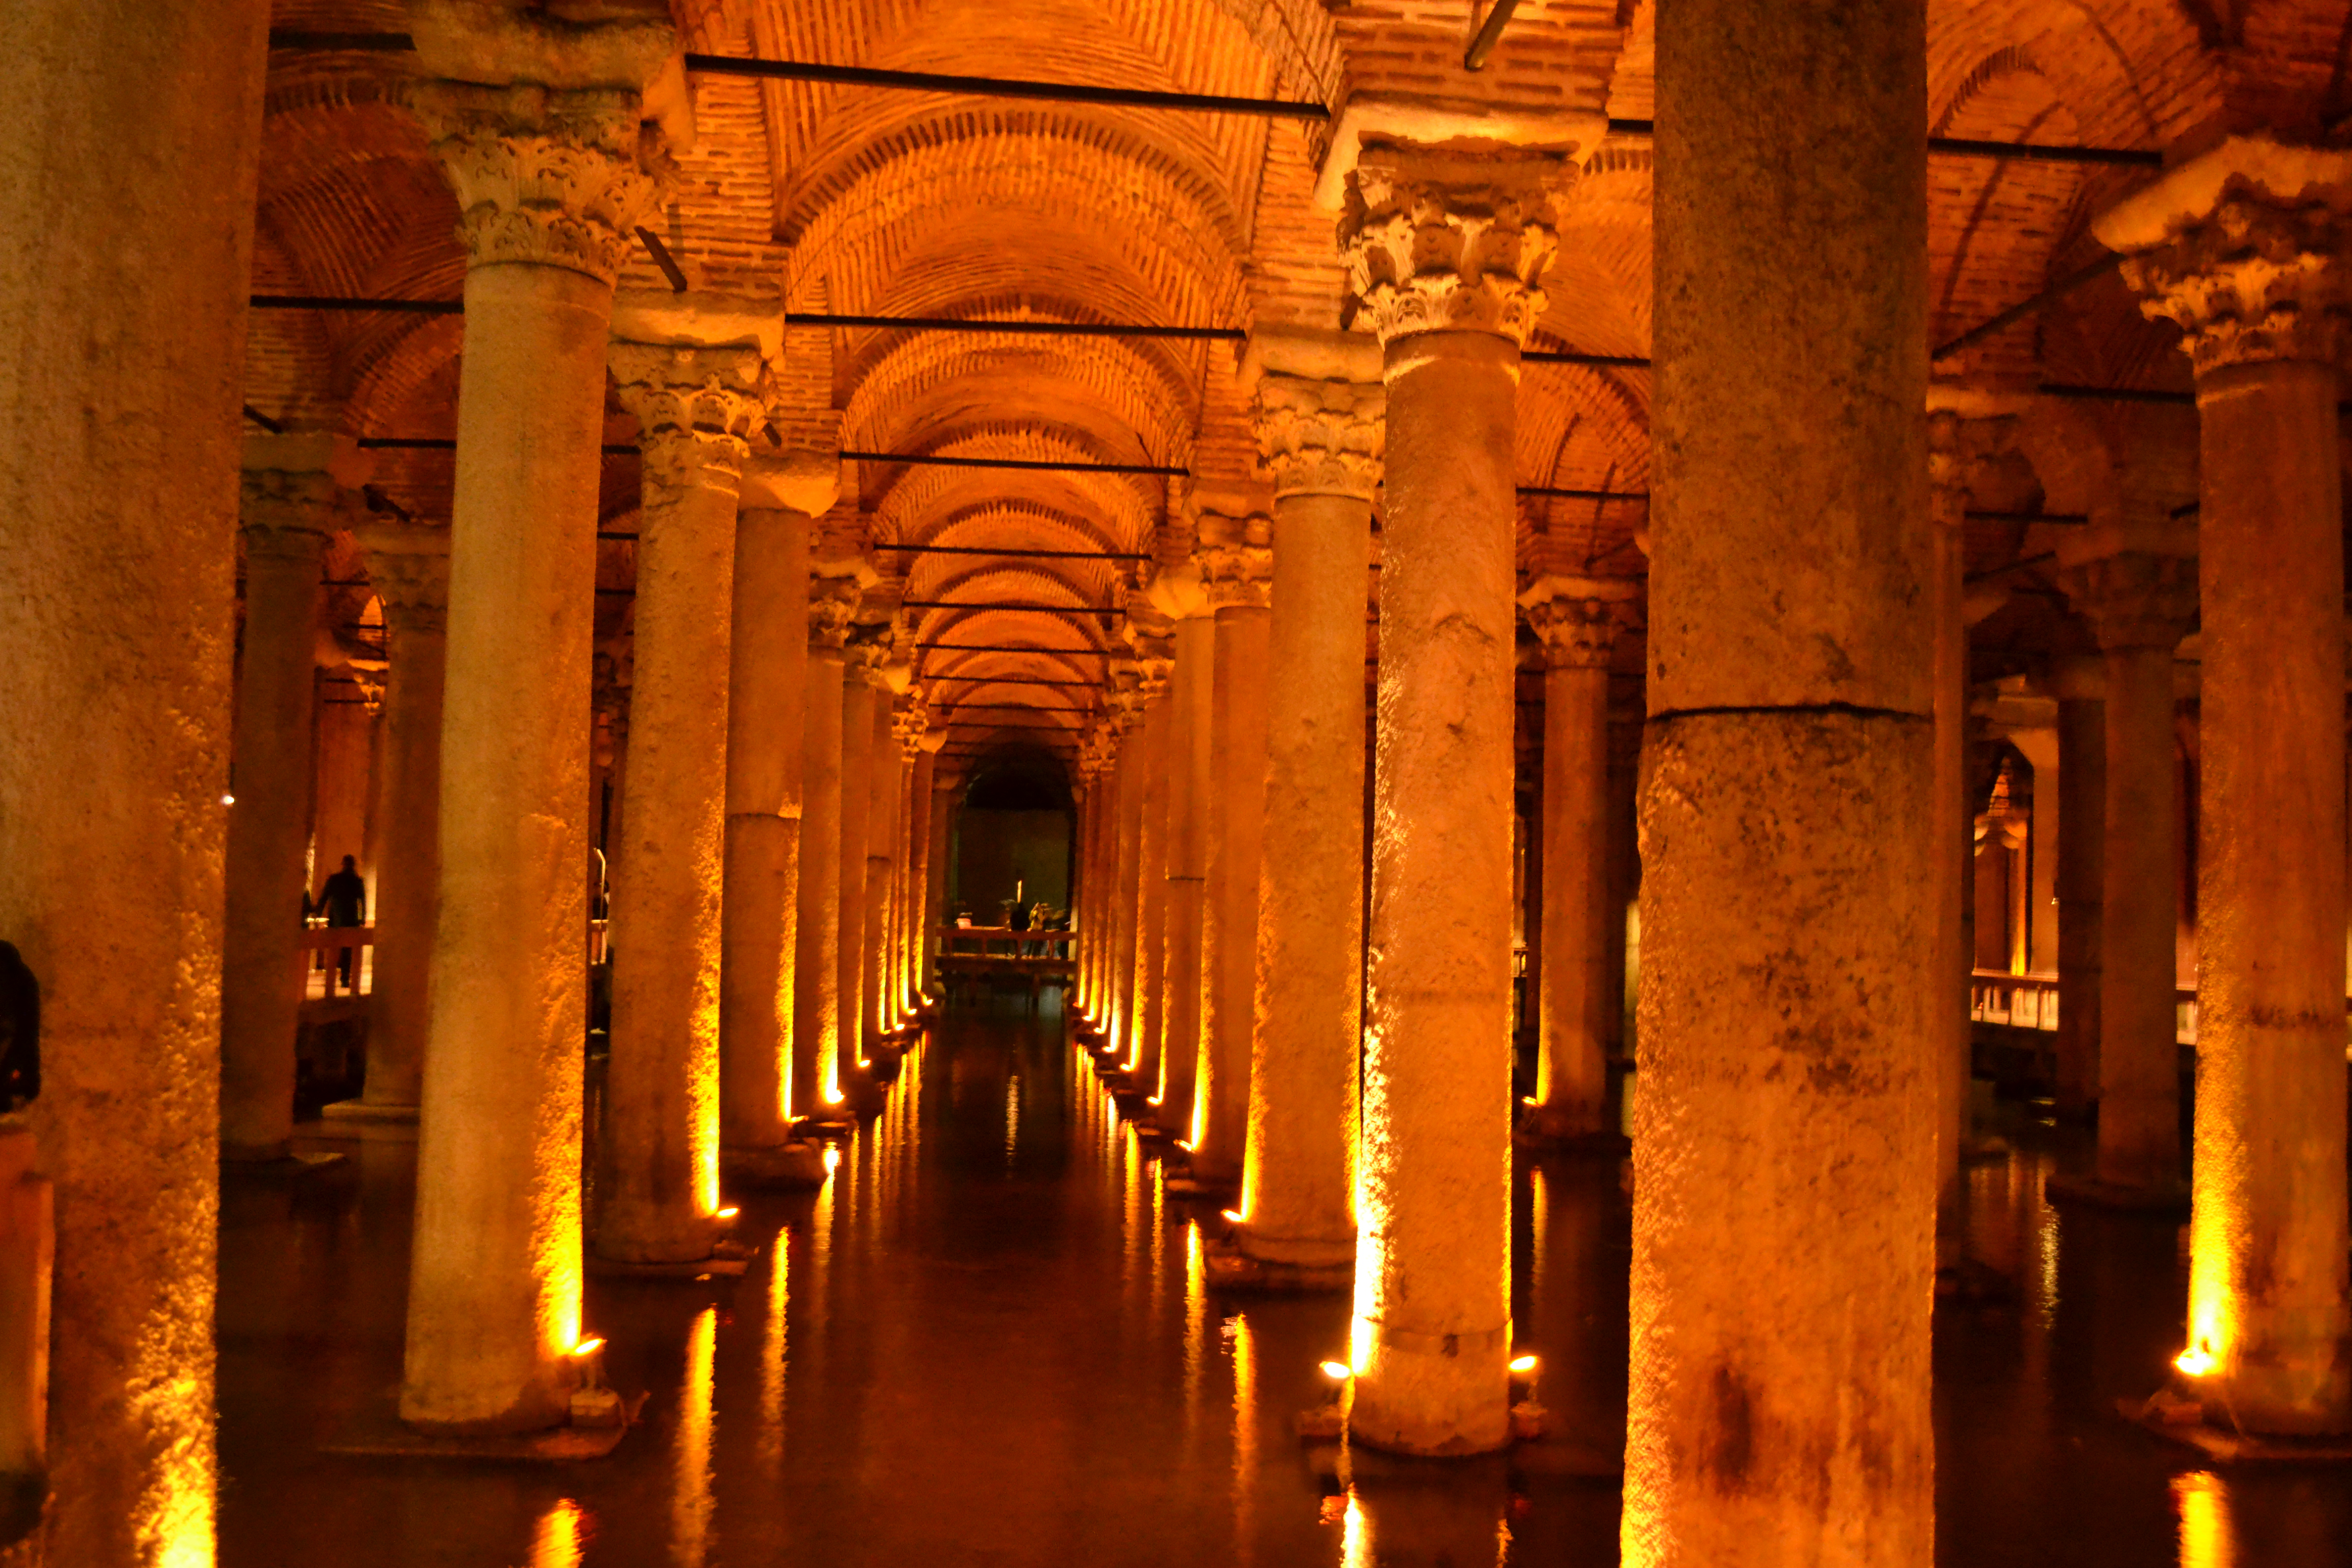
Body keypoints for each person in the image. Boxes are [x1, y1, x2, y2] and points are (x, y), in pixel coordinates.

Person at [320, 854, 366, 987]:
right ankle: (345, 979)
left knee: (333, 948)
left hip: (336, 919)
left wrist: (318, 914)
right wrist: (362, 919)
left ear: (343, 864)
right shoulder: (357, 881)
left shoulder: (335, 879)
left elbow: (324, 897)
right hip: (351, 919)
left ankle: (330, 979)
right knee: (347, 952)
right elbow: (362, 902)